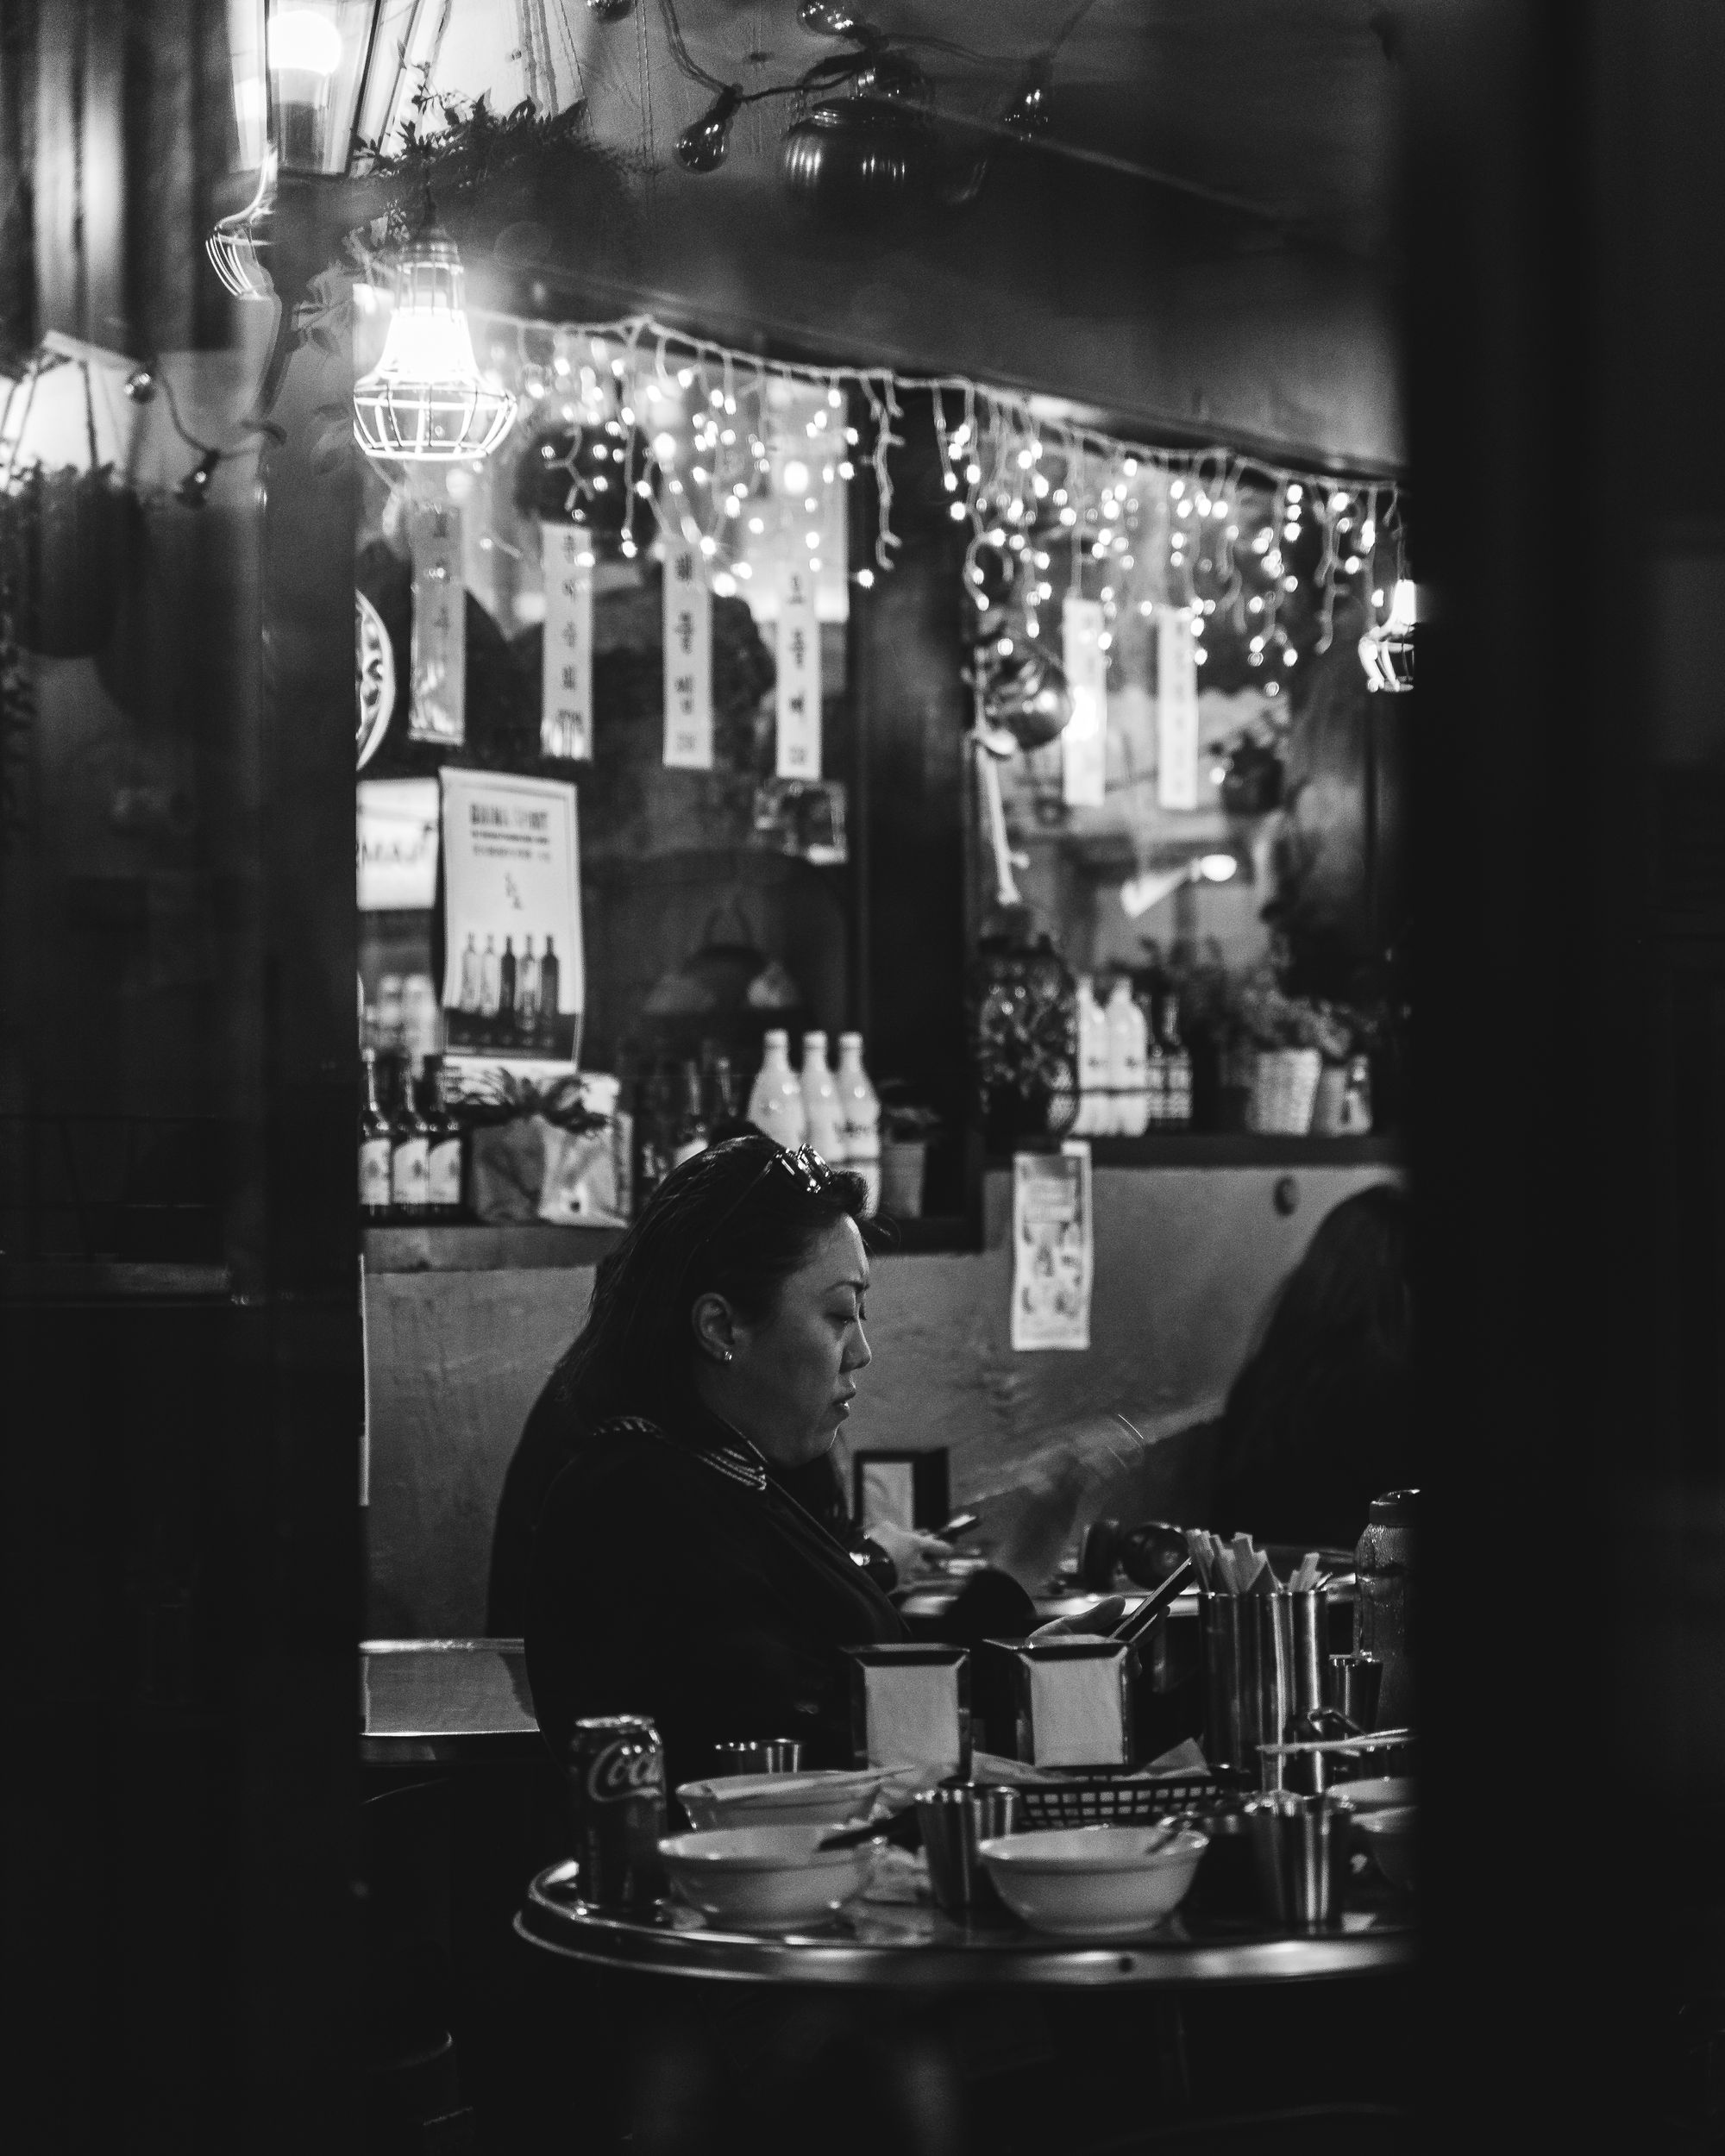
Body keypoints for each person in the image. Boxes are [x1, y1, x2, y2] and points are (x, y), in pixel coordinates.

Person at [510, 1136, 982, 1786]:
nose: (862, 1351)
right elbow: (801, 1756)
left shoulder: (730, 1472)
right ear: (721, 1328)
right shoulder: (637, 1508)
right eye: (840, 1314)